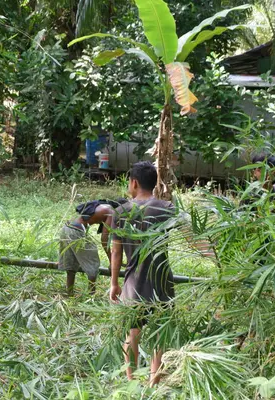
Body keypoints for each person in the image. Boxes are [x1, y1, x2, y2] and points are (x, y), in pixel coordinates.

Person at [109, 161, 175, 386]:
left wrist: (114, 284)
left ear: (134, 182)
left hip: (133, 283)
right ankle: (153, 381)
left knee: (132, 335)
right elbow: (193, 237)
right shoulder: (167, 208)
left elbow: (116, 253)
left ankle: (132, 382)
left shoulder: (121, 211)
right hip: (162, 281)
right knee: (160, 334)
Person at [58, 199, 124, 295]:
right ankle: (91, 295)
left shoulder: (102, 205)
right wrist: (112, 260)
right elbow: (104, 240)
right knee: (93, 264)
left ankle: (69, 293)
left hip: (66, 228)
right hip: (76, 231)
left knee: (71, 264)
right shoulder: (111, 212)